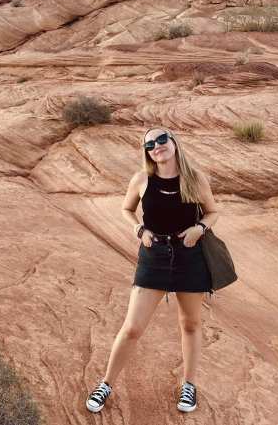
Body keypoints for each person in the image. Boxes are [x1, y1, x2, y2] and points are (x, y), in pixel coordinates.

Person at [85, 127, 220, 415]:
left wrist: (200, 228)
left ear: (173, 143)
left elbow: (212, 211)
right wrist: (138, 228)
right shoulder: (142, 179)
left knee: (191, 324)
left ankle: (189, 384)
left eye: (162, 139)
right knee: (132, 327)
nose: (157, 146)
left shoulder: (195, 179)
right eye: (150, 144)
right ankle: (106, 384)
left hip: (189, 256)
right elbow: (126, 209)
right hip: (154, 255)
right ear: (147, 151)